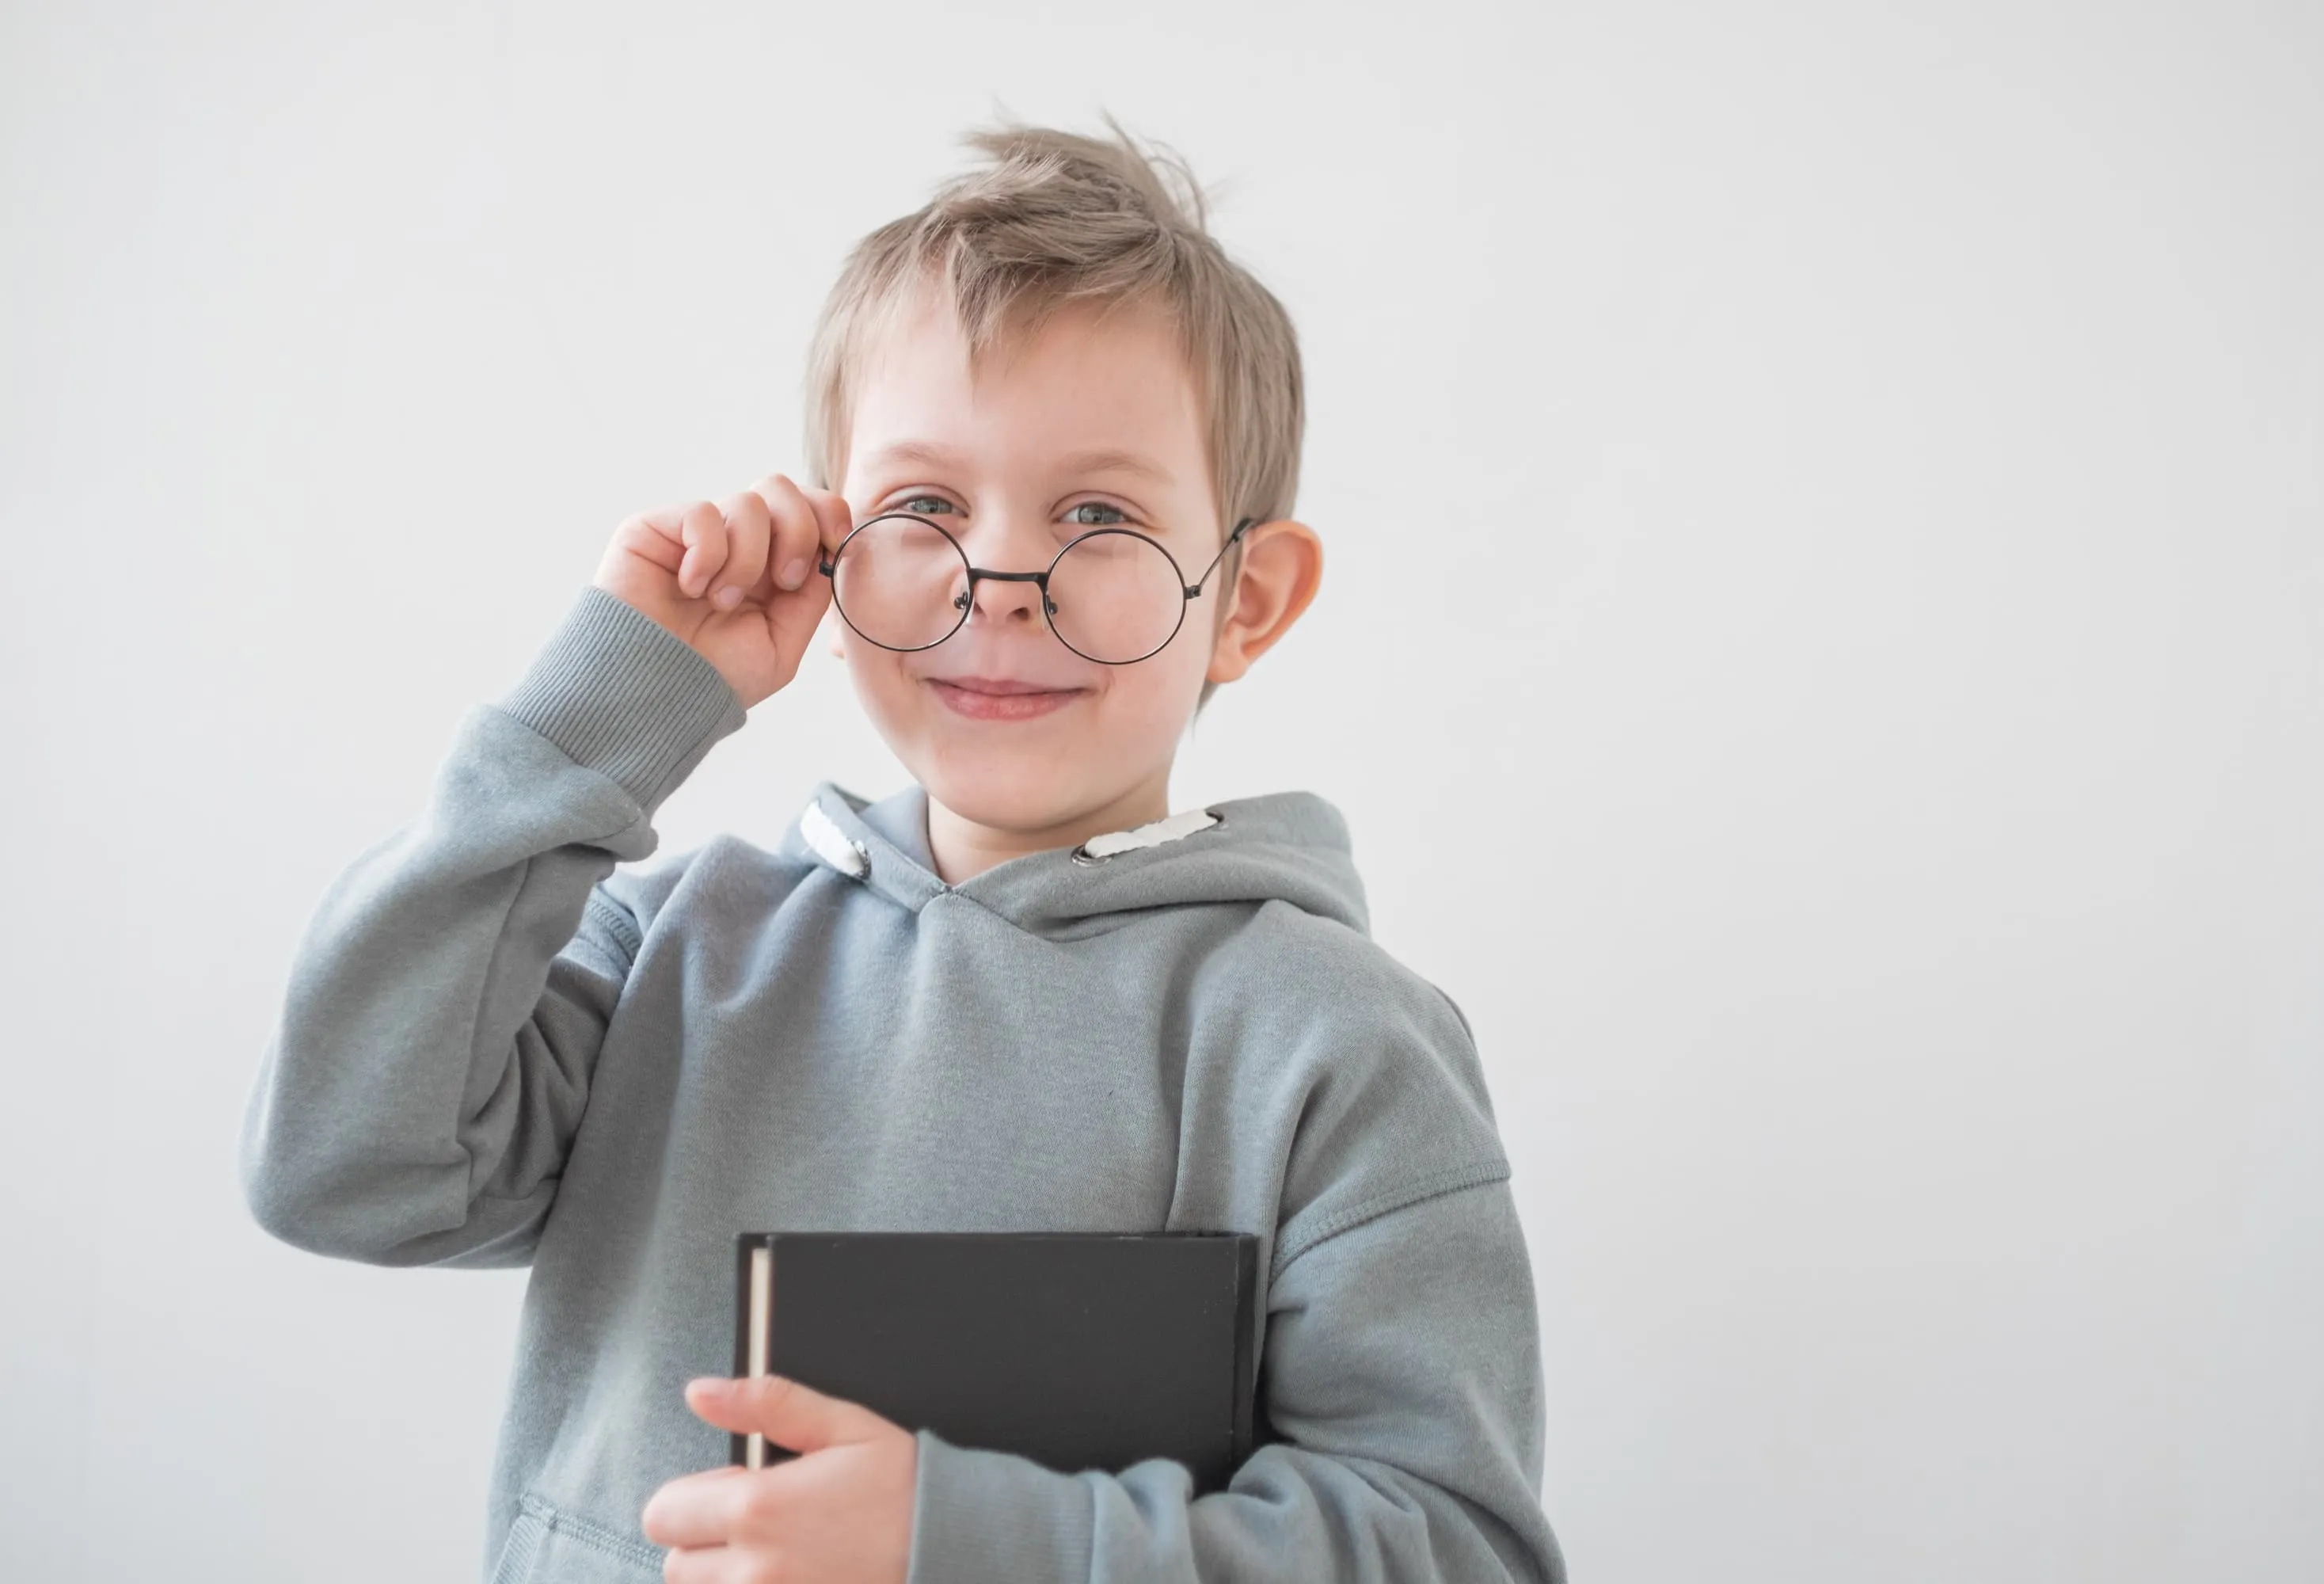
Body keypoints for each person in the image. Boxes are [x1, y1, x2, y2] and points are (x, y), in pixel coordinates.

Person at [237, 112, 1567, 1584]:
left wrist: (964, 1542)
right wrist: (606, 710)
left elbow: (1451, 1547)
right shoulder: (672, 948)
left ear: (1246, 603)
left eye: (1099, 513)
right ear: (830, 541)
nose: (999, 585)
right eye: (926, 505)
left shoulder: (1335, 1043)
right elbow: (341, 1169)